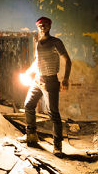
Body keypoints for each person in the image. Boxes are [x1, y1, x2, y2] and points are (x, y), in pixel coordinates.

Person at [21, 16, 71, 155]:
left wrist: (65, 79)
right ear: (37, 27)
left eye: (45, 25)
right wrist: (27, 71)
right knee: (28, 105)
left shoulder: (56, 42)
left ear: (49, 26)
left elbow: (68, 60)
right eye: (40, 25)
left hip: (50, 81)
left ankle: (57, 146)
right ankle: (31, 135)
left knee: (53, 114)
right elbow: (37, 61)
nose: (42, 27)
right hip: (37, 80)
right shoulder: (38, 43)